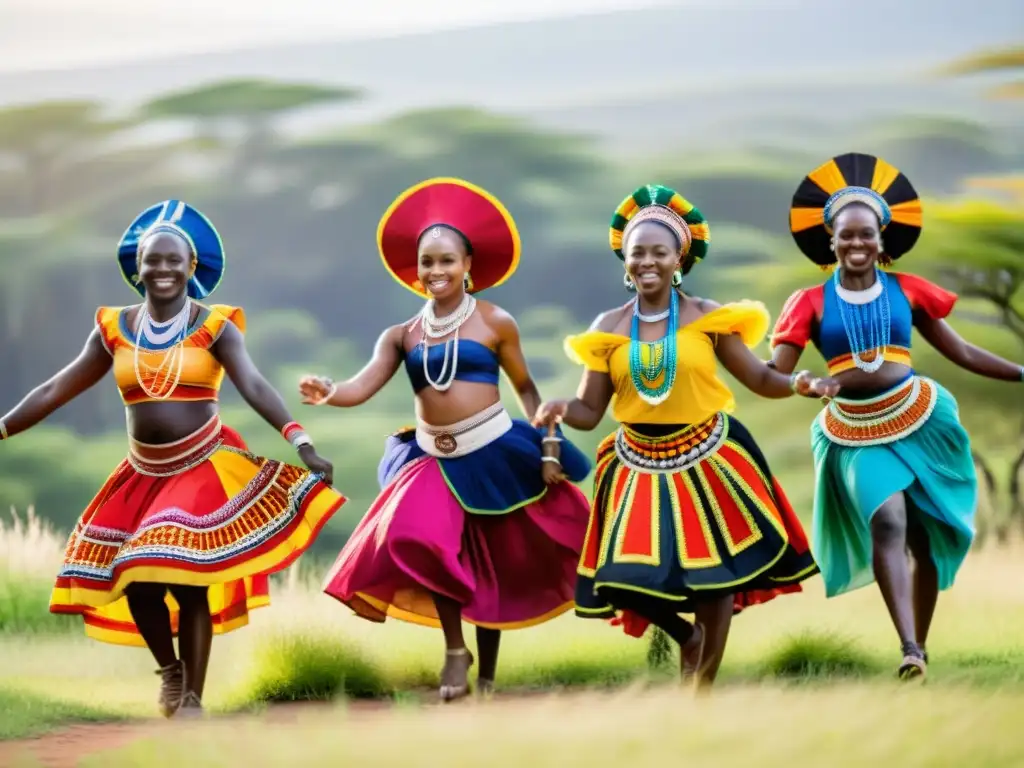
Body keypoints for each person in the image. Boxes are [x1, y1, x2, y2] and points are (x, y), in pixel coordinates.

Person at [0, 200, 345, 717]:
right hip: (143, 470)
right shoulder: (113, 328)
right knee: (136, 579)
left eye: (172, 261)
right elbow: (55, 388)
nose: (162, 269)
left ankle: (192, 701)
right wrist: (2, 427)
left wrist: (300, 441)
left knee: (183, 579)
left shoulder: (217, 326)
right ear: (136, 268)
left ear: (192, 268)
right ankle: (171, 670)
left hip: (202, 464)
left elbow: (252, 384)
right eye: (152, 260)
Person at [532, 184, 836, 690]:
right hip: (636, 462)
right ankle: (685, 637)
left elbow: (761, 379)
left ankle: (701, 688)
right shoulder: (609, 327)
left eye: (659, 251)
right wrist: (561, 407)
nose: (648, 261)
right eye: (637, 253)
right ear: (625, 263)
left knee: (713, 577)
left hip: (707, 455)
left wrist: (800, 383)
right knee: (621, 576)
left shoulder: (706, 318)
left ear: (680, 258)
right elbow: (589, 412)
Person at [300, 177, 593, 701]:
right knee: (421, 539)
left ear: (468, 265)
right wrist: (328, 392)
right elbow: (360, 386)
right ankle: (456, 650)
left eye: (446, 261)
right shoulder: (401, 334)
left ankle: (485, 677)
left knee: (497, 558)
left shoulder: (495, 322)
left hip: (497, 449)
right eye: (427, 262)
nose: (436, 271)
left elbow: (526, 389)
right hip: (433, 454)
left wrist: (549, 447)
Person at [770, 152, 1024, 680]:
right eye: (847, 236)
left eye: (867, 235)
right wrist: (805, 382)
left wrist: (1022, 372)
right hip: (853, 432)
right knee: (887, 520)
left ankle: (921, 644)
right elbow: (777, 373)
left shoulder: (907, 291)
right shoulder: (809, 303)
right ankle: (908, 647)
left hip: (920, 419)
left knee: (925, 540)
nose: (857, 244)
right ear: (830, 240)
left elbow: (965, 353)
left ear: (882, 239)